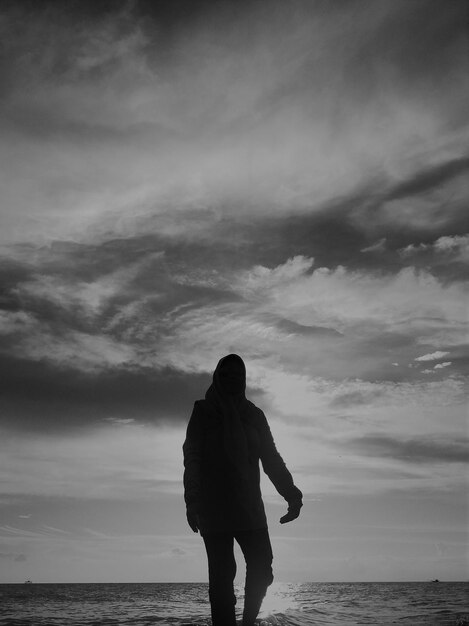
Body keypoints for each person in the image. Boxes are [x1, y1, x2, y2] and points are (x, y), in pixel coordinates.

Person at [183, 354, 303, 626]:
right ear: (217, 377)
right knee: (222, 580)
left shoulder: (254, 415)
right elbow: (192, 457)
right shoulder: (203, 411)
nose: (232, 379)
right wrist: (192, 499)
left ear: (245, 379)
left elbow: (271, 458)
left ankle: (247, 623)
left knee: (263, 568)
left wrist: (292, 495)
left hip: (249, 506)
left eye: (238, 375)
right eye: (226, 374)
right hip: (213, 508)